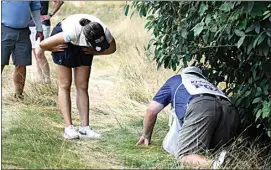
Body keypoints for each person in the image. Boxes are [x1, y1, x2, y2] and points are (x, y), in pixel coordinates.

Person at [136, 66, 239, 168]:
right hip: (229, 108)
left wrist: (146, 135)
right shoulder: (207, 84)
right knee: (215, 151)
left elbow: (151, 111)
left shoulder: (176, 79)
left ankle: (216, 165)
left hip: (201, 105)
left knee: (184, 155)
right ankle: (228, 160)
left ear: (183, 73)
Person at [39, 14, 116, 139]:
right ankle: (68, 128)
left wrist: (94, 51)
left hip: (85, 42)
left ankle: (85, 128)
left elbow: (112, 48)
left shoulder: (104, 31)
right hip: (64, 42)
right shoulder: (71, 33)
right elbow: (43, 44)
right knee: (65, 84)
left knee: (82, 85)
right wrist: (52, 48)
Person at [1, 1, 44, 99]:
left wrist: (39, 28)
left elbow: (35, 8)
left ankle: (18, 95)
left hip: (24, 31)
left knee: (21, 63)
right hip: (4, 29)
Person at [29, 1, 64, 83]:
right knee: (35, 54)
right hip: (29, 24)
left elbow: (59, 1)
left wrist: (50, 15)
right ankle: (41, 80)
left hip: (42, 23)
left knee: (39, 53)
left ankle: (47, 80)